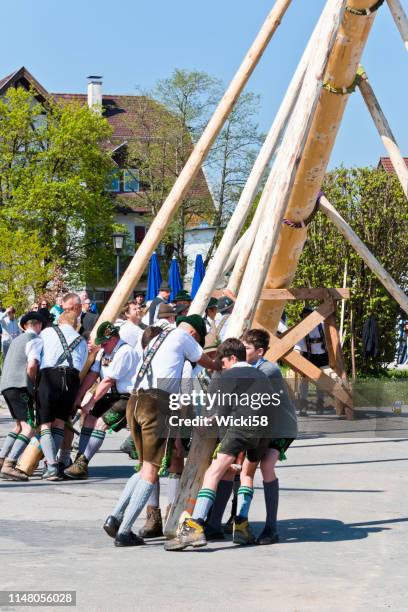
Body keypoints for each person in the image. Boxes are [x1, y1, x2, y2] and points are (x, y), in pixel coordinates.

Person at [103, 314, 219, 547]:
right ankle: (124, 532)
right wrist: (220, 367)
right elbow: (203, 360)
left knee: (144, 465)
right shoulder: (182, 336)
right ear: (194, 334)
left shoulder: (158, 338)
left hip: (134, 400)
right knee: (151, 470)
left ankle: (115, 517)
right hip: (156, 404)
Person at [164, 337, 281, 551]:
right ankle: (242, 525)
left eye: (223, 362)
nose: (222, 367)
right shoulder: (260, 375)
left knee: (213, 472)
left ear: (233, 358)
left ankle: (196, 525)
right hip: (265, 429)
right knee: (247, 475)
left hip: (241, 427)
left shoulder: (231, 376)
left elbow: (220, 413)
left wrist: (205, 424)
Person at [64, 322, 140, 480]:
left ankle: (82, 463)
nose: (103, 345)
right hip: (109, 395)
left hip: (127, 397)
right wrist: (78, 398)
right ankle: (79, 460)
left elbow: (107, 381)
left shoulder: (125, 351)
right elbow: (92, 376)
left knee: (100, 424)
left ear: (114, 338)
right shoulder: (103, 352)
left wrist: (90, 402)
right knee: (89, 421)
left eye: (105, 342)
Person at [37, 310, 88, 481]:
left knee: (45, 424)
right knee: (59, 424)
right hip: (72, 379)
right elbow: (81, 365)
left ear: (60, 320)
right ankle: (56, 465)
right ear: (76, 324)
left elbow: (37, 357)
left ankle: (51, 466)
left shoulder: (47, 332)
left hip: (49, 376)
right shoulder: (82, 340)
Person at [0, 311, 45, 480]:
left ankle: (2, 458)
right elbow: (32, 364)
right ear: (39, 325)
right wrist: (32, 386)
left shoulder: (16, 339)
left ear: (25, 325)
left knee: (19, 426)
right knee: (29, 427)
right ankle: (10, 464)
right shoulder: (35, 339)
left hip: (6, 384)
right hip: (20, 385)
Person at [298, 306, 329, 415]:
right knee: (304, 381)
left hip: (322, 355)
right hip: (308, 355)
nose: (306, 318)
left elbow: (330, 340)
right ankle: (303, 406)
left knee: (321, 380)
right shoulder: (302, 328)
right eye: (304, 317)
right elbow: (299, 345)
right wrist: (298, 358)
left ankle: (320, 404)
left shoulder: (322, 326)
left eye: (308, 316)